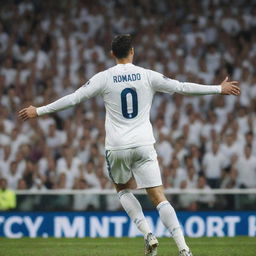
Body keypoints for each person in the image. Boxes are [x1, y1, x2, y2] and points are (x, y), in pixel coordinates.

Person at [19, 34, 240, 256]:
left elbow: (74, 98)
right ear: (132, 51)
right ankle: (184, 249)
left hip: (117, 147)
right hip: (144, 144)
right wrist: (218, 88)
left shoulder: (104, 77)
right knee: (158, 197)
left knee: (123, 190)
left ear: (112, 54)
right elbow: (182, 87)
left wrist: (38, 110)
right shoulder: (147, 75)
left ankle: (148, 234)